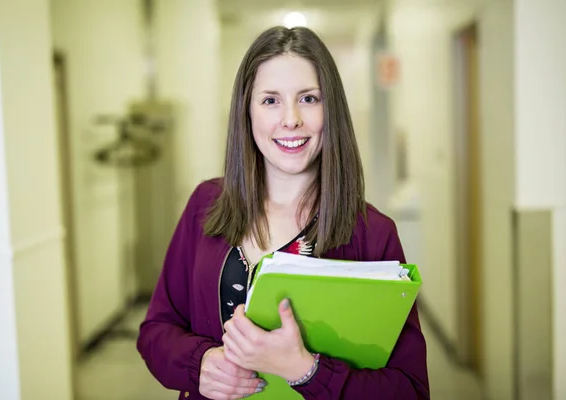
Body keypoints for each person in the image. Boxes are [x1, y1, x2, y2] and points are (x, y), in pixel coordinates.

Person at [137, 26, 429, 400]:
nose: (290, 119)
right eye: (270, 100)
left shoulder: (372, 234)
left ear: (331, 110)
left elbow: (410, 390)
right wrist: (200, 363)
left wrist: (305, 371)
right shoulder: (205, 205)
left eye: (308, 98)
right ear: (247, 111)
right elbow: (156, 330)